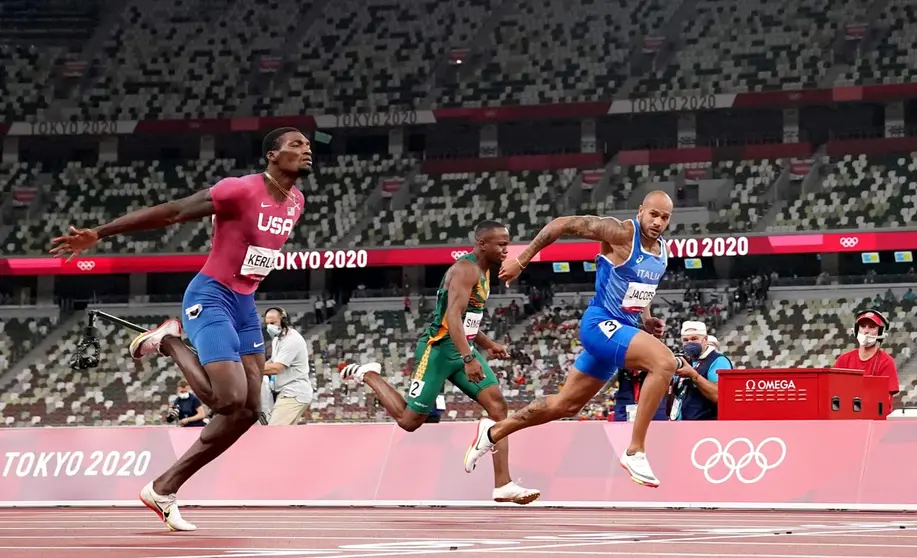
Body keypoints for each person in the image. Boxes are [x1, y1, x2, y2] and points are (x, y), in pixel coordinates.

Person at [49, 128, 311, 531]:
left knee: (247, 410)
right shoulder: (239, 190)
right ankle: (168, 341)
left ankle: (163, 488)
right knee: (227, 400)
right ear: (273, 156)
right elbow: (172, 211)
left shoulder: (296, 201)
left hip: (244, 304)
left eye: (308, 144)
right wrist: (99, 234)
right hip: (211, 295)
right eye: (296, 144)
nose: (306, 149)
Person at [463, 191, 700, 488]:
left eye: (664, 217)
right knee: (664, 363)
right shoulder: (621, 232)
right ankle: (635, 450)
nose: (658, 222)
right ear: (641, 211)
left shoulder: (662, 251)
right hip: (600, 324)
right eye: (653, 214)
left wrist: (646, 318)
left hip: (622, 329)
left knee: (564, 406)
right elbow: (561, 224)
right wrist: (522, 261)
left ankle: (492, 433)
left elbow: (638, 286)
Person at [340, 221, 540, 504]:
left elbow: (470, 318)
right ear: (482, 244)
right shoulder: (464, 269)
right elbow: (453, 318)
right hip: (438, 351)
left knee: (498, 406)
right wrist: (470, 357)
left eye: (507, 243)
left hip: (462, 346)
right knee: (410, 421)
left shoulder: (483, 270)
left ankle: (503, 484)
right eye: (501, 244)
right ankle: (370, 375)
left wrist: (487, 344)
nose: (506, 249)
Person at [833, 309, 900, 415]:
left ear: (880, 332)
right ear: (856, 329)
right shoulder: (843, 360)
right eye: (863, 326)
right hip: (846, 418)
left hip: (875, 422)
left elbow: (884, 401)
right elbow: (833, 393)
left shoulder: (886, 362)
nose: (866, 331)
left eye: (872, 327)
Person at [670, 321, 731, 421]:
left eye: (694, 339)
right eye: (685, 340)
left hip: (706, 425)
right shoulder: (683, 361)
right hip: (681, 424)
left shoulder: (718, 361)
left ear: (705, 339)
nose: (689, 343)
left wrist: (694, 376)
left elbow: (719, 396)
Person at [263, 306, 313, 425]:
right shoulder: (277, 339)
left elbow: (276, 368)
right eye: (268, 324)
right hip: (287, 392)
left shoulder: (291, 340)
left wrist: (249, 370)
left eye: (273, 322)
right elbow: (272, 361)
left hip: (293, 393)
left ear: (284, 321)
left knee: (274, 432)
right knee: (285, 436)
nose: (270, 326)